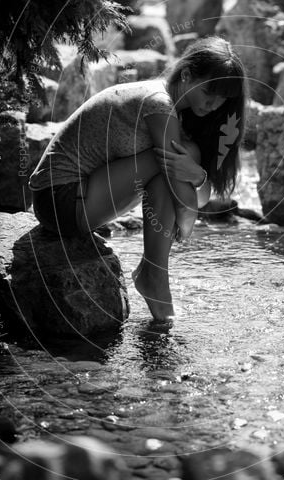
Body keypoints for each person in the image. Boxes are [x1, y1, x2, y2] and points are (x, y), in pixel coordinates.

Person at [29, 37, 247, 322]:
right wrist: (187, 217)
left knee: (178, 163)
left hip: (80, 199)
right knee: (170, 163)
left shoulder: (175, 112)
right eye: (209, 92)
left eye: (222, 99)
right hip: (61, 200)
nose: (215, 105)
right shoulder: (159, 105)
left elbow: (197, 196)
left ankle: (153, 274)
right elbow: (187, 202)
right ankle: (154, 276)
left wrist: (197, 177)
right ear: (186, 75)